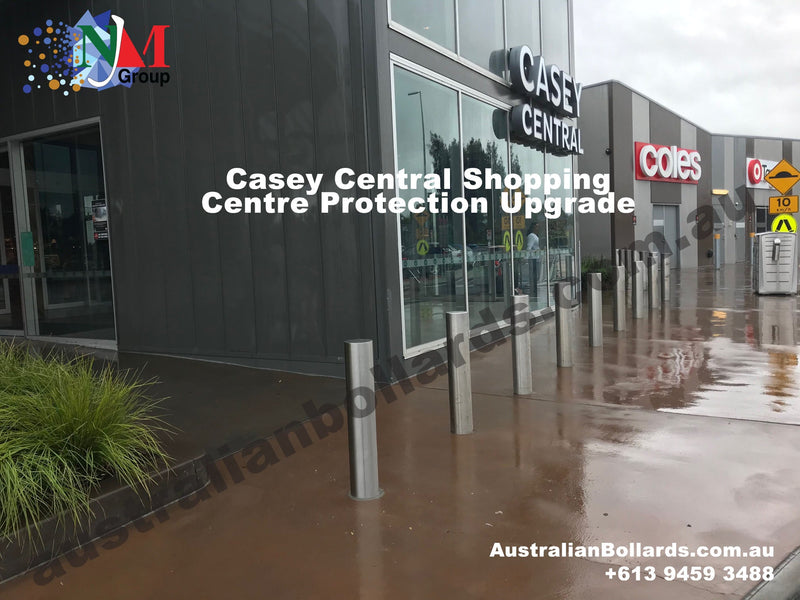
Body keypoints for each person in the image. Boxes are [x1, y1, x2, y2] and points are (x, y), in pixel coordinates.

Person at [527, 224, 540, 298]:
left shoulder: (535, 236)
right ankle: (533, 290)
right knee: (534, 275)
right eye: (536, 227)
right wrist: (526, 257)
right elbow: (529, 247)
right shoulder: (532, 236)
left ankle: (534, 289)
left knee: (535, 275)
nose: (538, 228)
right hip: (533, 258)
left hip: (536, 258)